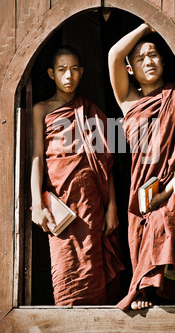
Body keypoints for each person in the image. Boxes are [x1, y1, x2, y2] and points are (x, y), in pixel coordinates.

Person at [31, 45, 124, 306]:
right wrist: (36, 205)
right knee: (65, 268)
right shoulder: (41, 110)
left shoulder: (91, 110)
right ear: (51, 73)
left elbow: (107, 162)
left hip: (91, 202)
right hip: (60, 205)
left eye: (74, 69)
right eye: (62, 70)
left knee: (94, 265)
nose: (68, 75)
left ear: (81, 72)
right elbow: (37, 158)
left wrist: (113, 207)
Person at [108, 22, 175, 311]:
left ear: (163, 61)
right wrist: (147, 26)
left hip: (170, 185)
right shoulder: (129, 103)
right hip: (140, 190)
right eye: (139, 59)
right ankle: (144, 287)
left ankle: (149, 290)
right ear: (130, 70)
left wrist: (168, 189)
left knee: (163, 218)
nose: (148, 62)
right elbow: (115, 54)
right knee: (142, 233)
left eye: (152, 55)